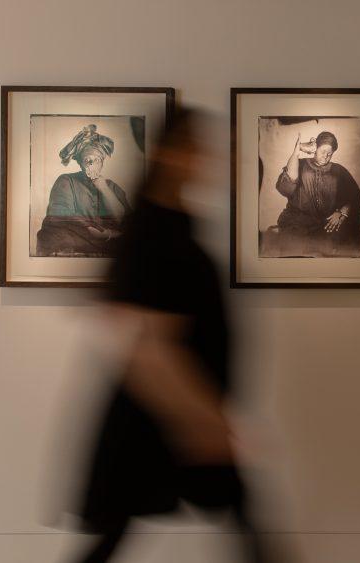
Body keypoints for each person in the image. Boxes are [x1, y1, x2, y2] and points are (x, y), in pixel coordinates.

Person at [67, 109, 278, 563]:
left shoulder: (171, 223)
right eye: (194, 149)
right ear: (168, 153)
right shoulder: (151, 232)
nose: (205, 159)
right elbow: (146, 350)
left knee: (241, 525)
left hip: (174, 416)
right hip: (157, 418)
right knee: (117, 538)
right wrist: (205, 417)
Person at [36, 124, 131, 257]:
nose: (92, 164)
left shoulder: (112, 187)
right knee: (57, 237)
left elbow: (125, 220)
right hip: (76, 236)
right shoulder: (66, 180)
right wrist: (93, 229)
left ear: (102, 163)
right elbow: (59, 214)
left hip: (106, 240)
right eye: (87, 160)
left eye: (97, 160)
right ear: (81, 163)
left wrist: (103, 187)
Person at [269, 130, 360, 256]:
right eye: (323, 151)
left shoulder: (338, 171)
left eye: (330, 154)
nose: (326, 156)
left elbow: (356, 196)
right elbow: (285, 188)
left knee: (344, 244)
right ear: (315, 148)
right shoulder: (300, 164)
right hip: (299, 221)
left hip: (327, 221)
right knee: (293, 248)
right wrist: (297, 151)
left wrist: (342, 212)